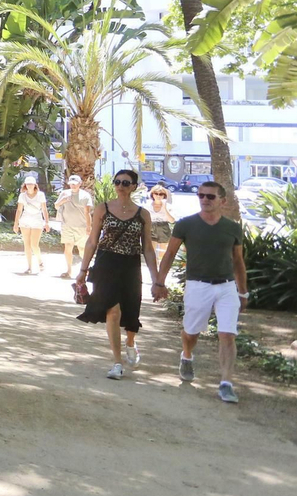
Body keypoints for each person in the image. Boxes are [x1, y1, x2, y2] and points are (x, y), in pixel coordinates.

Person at [153, 180, 248, 403]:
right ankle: (186, 355)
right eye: (201, 195)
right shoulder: (186, 225)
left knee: (227, 334)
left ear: (222, 201)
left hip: (226, 287)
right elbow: (169, 254)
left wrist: (243, 292)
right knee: (191, 333)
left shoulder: (232, 227)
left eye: (210, 196)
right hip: (197, 285)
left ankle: (226, 383)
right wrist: (159, 282)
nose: (205, 199)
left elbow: (238, 262)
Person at [74, 169, 160, 379]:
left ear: (134, 186)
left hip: (130, 265)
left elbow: (147, 248)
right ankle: (117, 362)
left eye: (125, 183)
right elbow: (93, 240)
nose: (120, 186)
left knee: (131, 310)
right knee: (112, 311)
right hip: (106, 263)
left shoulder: (143, 214)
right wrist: (83, 270)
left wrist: (157, 279)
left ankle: (130, 341)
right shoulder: (103, 208)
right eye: (117, 182)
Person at [55, 174, 95, 279]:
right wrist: (62, 201)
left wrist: (89, 227)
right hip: (67, 225)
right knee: (68, 247)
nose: (72, 186)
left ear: (79, 184)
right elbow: (56, 205)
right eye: (71, 184)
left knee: (82, 249)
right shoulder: (64, 193)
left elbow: (87, 212)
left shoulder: (85, 196)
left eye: (74, 184)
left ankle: (86, 269)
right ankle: (69, 271)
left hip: (81, 226)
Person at [12, 175, 49, 274]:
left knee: (34, 244)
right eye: (27, 184)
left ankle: (40, 261)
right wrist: (16, 223)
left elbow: (44, 209)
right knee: (26, 244)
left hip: (37, 219)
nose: (29, 186)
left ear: (35, 185)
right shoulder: (22, 195)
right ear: (25, 185)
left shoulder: (40, 195)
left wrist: (47, 222)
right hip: (25, 220)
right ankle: (29, 267)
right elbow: (19, 210)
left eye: (31, 184)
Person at [147, 183, 176, 262]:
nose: (158, 196)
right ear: (152, 194)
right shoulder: (147, 205)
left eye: (161, 194)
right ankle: (154, 270)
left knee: (162, 254)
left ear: (164, 196)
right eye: (156, 193)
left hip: (164, 228)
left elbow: (172, 220)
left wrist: (164, 207)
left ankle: (160, 270)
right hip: (151, 227)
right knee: (152, 252)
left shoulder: (168, 206)